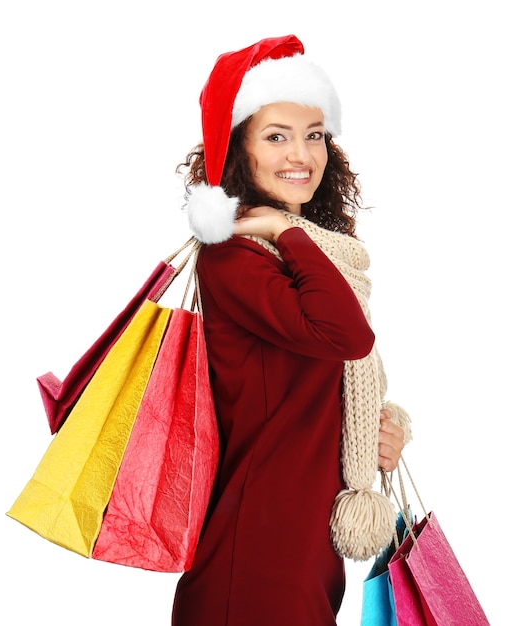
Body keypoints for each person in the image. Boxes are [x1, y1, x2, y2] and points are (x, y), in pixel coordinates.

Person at [171, 35, 412, 626]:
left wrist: (384, 428)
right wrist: (284, 228)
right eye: (275, 136)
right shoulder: (234, 256)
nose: (299, 153)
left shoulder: (315, 261)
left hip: (307, 555)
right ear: (239, 151)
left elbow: (334, 371)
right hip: (253, 559)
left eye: (313, 134)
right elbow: (345, 336)